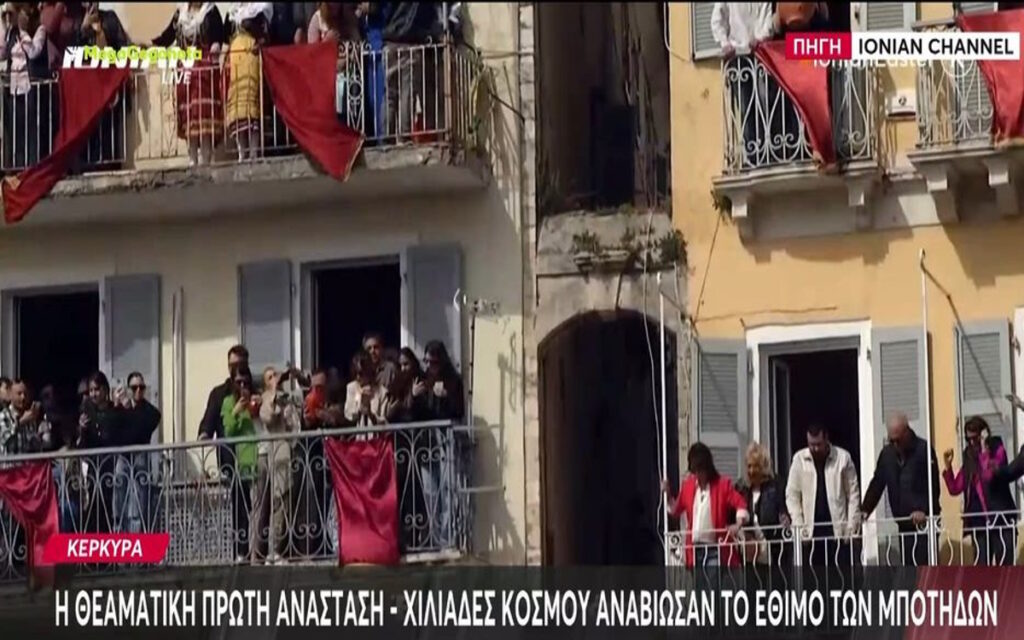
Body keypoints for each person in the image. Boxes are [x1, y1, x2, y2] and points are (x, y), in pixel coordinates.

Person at [861, 413, 941, 567]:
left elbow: (934, 487)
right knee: (909, 572)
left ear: (907, 432)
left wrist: (924, 510)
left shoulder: (923, 450)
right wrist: (865, 509)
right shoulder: (887, 454)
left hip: (924, 525)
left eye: (898, 440)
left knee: (926, 572)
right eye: (891, 440)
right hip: (904, 524)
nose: (895, 444)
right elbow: (877, 483)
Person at [152, 2, 227, 166]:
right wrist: (151, 46)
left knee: (203, 112)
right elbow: (168, 36)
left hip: (204, 68)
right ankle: (192, 158)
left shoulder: (210, 11)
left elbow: (219, 35)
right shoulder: (180, 14)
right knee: (189, 114)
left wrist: (216, 45)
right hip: (185, 69)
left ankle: (206, 157)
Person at [943, 417, 1017, 566]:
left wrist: (984, 450)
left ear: (983, 434)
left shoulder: (997, 449)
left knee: (1005, 566)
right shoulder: (969, 456)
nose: (972, 443)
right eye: (968, 439)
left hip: (1000, 518)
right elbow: (955, 488)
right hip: (979, 522)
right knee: (982, 567)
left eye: (975, 438)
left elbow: (989, 476)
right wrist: (948, 468)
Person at [662, 443, 749, 567]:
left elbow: (740, 503)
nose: (697, 474)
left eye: (700, 470)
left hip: (715, 547)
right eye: (694, 471)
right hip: (694, 549)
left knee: (711, 578)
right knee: (699, 580)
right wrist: (668, 495)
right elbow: (676, 510)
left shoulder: (722, 485)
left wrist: (738, 524)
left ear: (707, 468)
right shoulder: (688, 486)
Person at [785, 423, 860, 566]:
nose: (815, 449)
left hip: (838, 533)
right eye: (811, 445)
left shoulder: (843, 458)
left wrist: (851, 527)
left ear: (826, 439)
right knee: (811, 578)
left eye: (818, 444)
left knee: (841, 577)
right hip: (809, 534)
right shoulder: (799, 460)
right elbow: (792, 495)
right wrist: (799, 526)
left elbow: (853, 494)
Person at [710, 3, 773, 169]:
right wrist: (725, 43)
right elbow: (717, 20)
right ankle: (752, 155)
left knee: (765, 101)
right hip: (738, 57)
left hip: (760, 55)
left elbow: (768, 21)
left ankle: (768, 152)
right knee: (746, 106)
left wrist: (759, 38)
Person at [253, 365, 302, 563]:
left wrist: (295, 377)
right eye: (270, 377)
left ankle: (281, 549)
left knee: (286, 502)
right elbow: (267, 417)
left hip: (287, 453)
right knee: (274, 503)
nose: (275, 378)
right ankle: (271, 551)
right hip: (273, 455)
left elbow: (296, 422)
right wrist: (272, 393)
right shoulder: (265, 398)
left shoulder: (287, 397)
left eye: (276, 375)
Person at [0, 3, 52, 169]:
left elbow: (33, 52)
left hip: (30, 86)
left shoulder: (40, 30)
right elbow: (3, 54)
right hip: (14, 87)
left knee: (32, 127)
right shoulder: (11, 32)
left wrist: (23, 32)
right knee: (17, 127)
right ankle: (18, 164)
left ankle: (33, 165)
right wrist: (4, 27)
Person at [112, 372, 161, 533]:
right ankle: (120, 536)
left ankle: (137, 537)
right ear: (128, 389)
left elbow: (139, 431)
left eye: (141, 387)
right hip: (123, 457)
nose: (138, 391)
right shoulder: (121, 409)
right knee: (119, 500)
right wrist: (117, 406)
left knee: (139, 502)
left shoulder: (151, 412)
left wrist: (129, 411)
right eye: (134, 388)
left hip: (140, 456)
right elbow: (113, 432)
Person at [77, 371, 124, 533]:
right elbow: (84, 447)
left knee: (113, 512)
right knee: (94, 514)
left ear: (105, 390)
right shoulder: (88, 414)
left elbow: (117, 435)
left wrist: (118, 408)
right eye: (91, 390)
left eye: (96, 389)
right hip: (95, 470)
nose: (93, 394)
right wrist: (83, 429)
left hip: (113, 469)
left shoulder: (115, 410)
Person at [221, 364, 259, 562]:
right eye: (239, 382)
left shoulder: (256, 399)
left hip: (259, 459)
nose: (243, 386)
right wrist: (236, 411)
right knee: (241, 510)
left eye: (246, 382)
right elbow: (227, 431)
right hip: (241, 462)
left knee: (260, 509)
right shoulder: (228, 402)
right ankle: (240, 552)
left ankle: (259, 550)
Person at [225, 3, 271, 162]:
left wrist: (260, 43)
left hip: (251, 55)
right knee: (237, 105)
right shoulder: (233, 11)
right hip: (235, 58)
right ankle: (241, 153)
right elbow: (225, 36)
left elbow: (265, 34)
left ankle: (253, 151)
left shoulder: (259, 9)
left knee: (251, 104)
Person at [736, 442, 790, 566]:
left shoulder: (777, 486)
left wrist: (785, 518)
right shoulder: (741, 489)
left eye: (756, 466)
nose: (751, 471)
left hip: (774, 551)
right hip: (750, 552)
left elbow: (784, 511)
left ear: (763, 467)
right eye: (749, 466)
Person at [199, 344, 249, 440]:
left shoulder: (254, 389)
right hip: (228, 447)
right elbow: (209, 418)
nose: (236, 368)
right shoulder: (219, 393)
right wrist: (204, 433)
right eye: (233, 365)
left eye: (240, 364)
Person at [0, 379, 51, 454]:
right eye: (19, 394)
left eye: (25, 394)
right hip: (9, 460)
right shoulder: (3, 416)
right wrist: (20, 422)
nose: (23, 397)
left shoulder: (30, 416)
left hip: (26, 460)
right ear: (10, 395)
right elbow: (4, 439)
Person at [344, 351, 392, 429]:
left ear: (368, 371)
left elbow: (384, 422)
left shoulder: (382, 392)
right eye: (355, 373)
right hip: (357, 434)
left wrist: (370, 414)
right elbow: (348, 415)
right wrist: (359, 407)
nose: (358, 377)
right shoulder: (351, 387)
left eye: (361, 373)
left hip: (375, 435)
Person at [386, 347, 426, 423]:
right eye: (400, 365)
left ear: (413, 363)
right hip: (398, 425)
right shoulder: (395, 383)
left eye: (406, 364)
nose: (403, 368)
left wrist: (414, 396)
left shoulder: (420, 380)